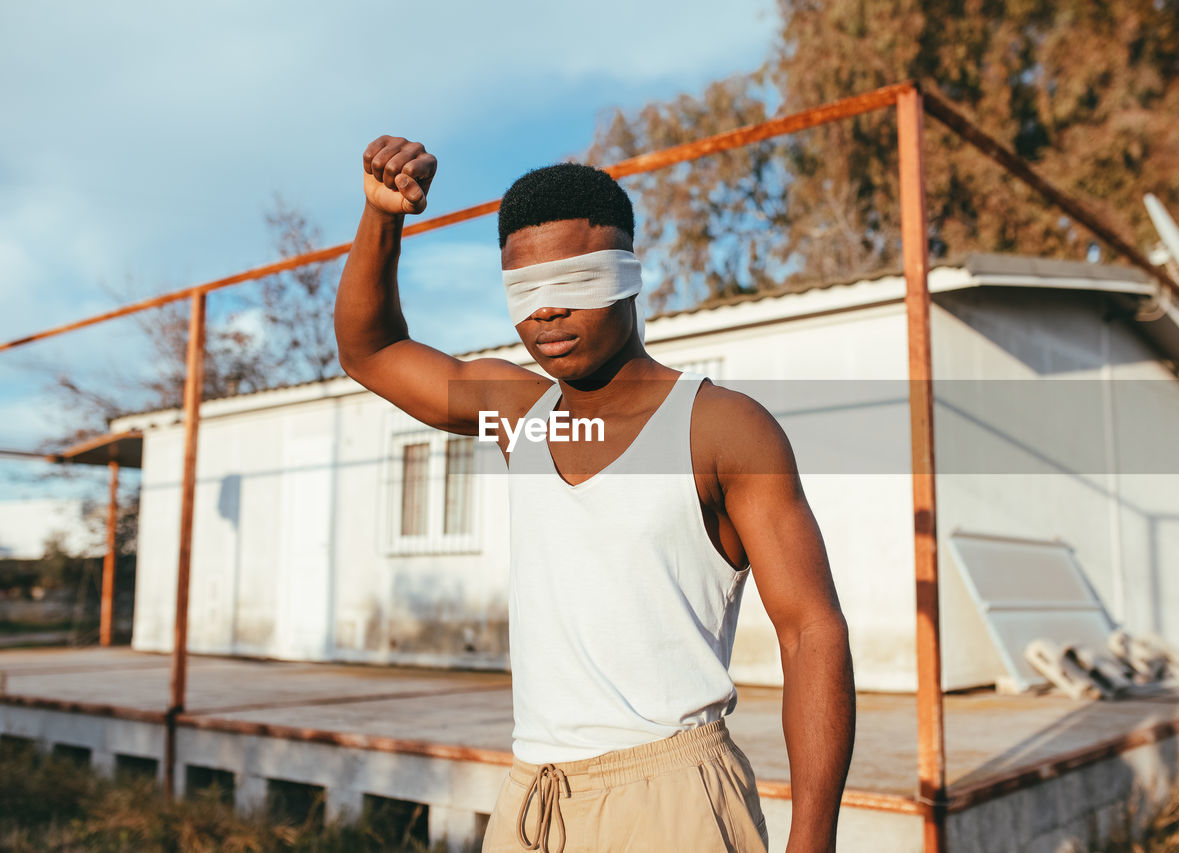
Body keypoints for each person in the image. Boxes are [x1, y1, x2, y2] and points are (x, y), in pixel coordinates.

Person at [334, 135, 855, 853]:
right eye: (524, 290)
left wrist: (813, 839)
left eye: (573, 282)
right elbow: (372, 351)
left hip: (673, 799)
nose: (545, 312)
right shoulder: (516, 417)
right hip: (535, 797)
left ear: (629, 275)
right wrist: (381, 217)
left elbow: (812, 633)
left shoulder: (720, 429)